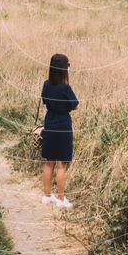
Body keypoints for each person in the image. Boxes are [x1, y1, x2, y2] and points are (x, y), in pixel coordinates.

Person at [40, 53, 79, 209]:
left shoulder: (46, 84)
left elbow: (45, 101)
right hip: (63, 125)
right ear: (64, 69)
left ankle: (47, 196)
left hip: (49, 123)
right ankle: (61, 199)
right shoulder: (65, 88)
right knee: (61, 164)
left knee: (49, 162)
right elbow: (75, 105)